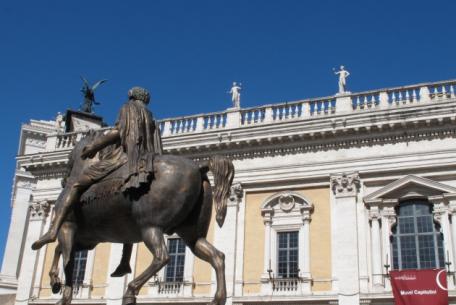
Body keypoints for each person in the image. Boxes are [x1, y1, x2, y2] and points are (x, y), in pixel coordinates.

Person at [32, 87, 163, 254]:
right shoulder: (151, 116)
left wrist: (95, 146)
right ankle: (124, 260)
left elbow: (117, 131)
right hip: (146, 160)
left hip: (124, 158)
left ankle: (52, 231)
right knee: (131, 205)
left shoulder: (128, 108)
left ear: (131, 96)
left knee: (76, 185)